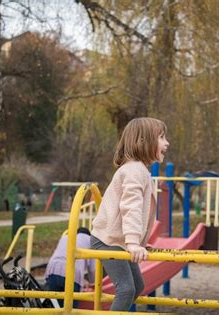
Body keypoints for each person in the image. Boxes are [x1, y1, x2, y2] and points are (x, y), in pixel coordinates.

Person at [90, 117, 169, 311]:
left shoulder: (140, 170)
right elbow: (130, 207)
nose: (167, 143)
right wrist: (133, 242)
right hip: (108, 241)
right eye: (161, 137)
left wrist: (139, 242)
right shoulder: (134, 170)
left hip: (119, 241)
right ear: (144, 142)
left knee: (138, 286)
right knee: (125, 289)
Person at [44, 227, 94, 308]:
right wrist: (93, 283)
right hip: (72, 273)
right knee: (71, 308)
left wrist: (83, 280)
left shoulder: (66, 237)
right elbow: (93, 269)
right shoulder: (90, 241)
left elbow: (63, 261)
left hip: (53, 269)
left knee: (57, 307)